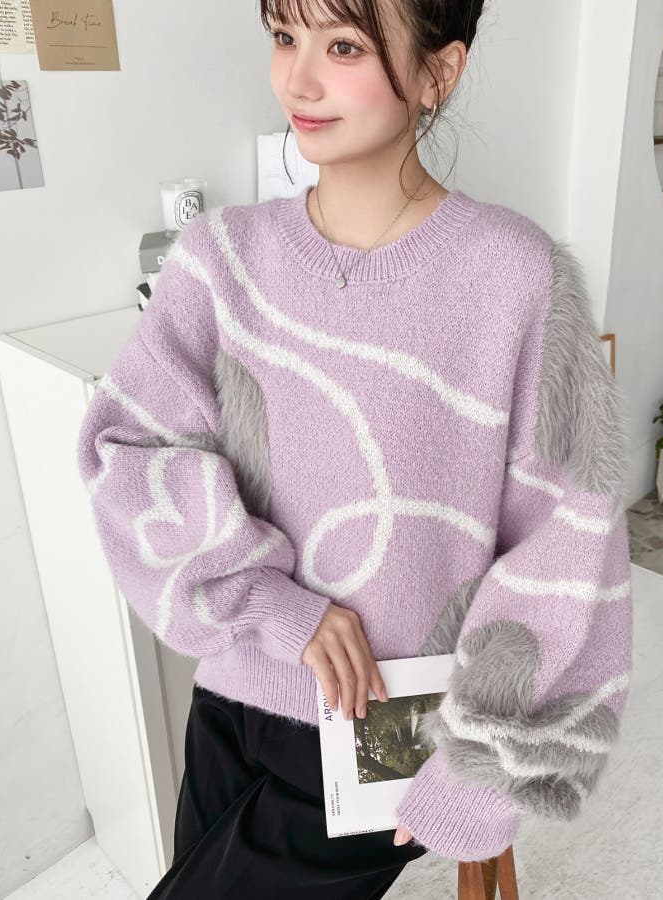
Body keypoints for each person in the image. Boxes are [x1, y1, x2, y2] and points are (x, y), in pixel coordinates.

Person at [75, 0, 633, 896]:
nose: (298, 79)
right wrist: (272, 603)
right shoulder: (222, 258)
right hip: (234, 690)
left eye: (342, 46)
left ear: (438, 72)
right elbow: (128, 446)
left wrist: (483, 763)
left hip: (393, 723)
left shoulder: (517, 277)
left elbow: (572, 543)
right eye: (284, 37)